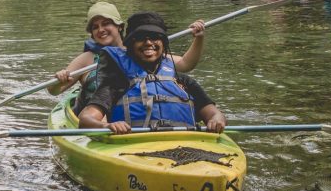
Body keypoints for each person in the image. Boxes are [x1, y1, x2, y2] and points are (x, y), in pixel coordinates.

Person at [78, 11, 227, 134]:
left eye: (155, 37)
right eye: (141, 38)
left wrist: (217, 120)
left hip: (184, 143)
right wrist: (106, 126)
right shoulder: (116, 82)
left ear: (163, 43)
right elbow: (86, 119)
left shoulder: (183, 82)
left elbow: (214, 113)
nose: (149, 43)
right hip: (134, 146)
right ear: (130, 45)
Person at [50, 2, 206, 108]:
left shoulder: (139, 51)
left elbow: (186, 64)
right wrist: (59, 79)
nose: (100, 30)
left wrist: (198, 38)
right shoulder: (87, 59)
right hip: (97, 117)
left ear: (119, 26)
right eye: (95, 27)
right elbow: (54, 90)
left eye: (106, 23)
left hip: (133, 114)